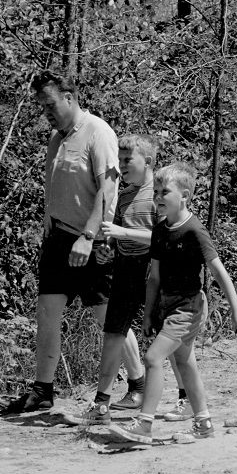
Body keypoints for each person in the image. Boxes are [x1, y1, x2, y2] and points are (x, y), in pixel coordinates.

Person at [2, 70, 132, 413]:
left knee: (105, 315)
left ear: (70, 98)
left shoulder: (98, 133)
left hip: (92, 241)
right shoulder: (57, 138)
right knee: (47, 311)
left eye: (50, 103)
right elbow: (56, 183)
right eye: (41, 105)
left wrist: (88, 237)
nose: (45, 111)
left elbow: (107, 190)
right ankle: (43, 390)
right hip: (59, 239)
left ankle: (138, 382)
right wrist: (48, 218)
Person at [109, 162, 237, 444]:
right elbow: (155, 277)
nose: (158, 197)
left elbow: (220, 273)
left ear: (184, 195)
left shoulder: (194, 231)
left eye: (165, 192)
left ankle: (145, 424)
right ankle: (204, 423)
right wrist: (149, 314)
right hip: (166, 307)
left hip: (188, 307)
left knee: (152, 358)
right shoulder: (160, 231)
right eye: (156, 191)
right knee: (185, 362)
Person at [67, 135, 188, 424]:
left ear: (147, 162)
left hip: (155, 271)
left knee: (166, 337)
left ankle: (186, 399)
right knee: (113, 334)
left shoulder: (159, 195)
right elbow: (120, 230)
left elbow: (163, 238)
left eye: (126, 160)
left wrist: (124, 234)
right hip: (125, 268)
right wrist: (112, 243)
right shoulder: (124, 194)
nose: (121, 166)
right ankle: (101, 407)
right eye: (119, 160)